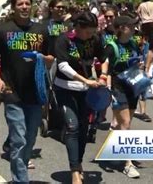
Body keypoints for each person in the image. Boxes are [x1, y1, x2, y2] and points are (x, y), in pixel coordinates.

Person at [0, 0, 53, 183]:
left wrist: (42, 58)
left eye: (27, 4)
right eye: (20, 4)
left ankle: (20, 172)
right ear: (14, 7)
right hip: (11, 91)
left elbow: (50, 59)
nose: (24, 7)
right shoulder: (4, 30)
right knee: (19, 139)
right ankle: (20, 180)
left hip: (35, 92)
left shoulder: (41, 31)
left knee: (30, 139)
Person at [53, 11, 106, 184]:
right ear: (78, 27)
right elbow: (62, 65)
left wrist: (103, 76)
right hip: (65, 88)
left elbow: (104, 58)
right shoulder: (64, 39)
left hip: (86, 91)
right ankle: (75, 170)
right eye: (88, 32)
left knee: (84, 129)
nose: (91, 35)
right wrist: (84, 80)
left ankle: (79, 162)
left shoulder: (95, 39)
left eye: (93, 32)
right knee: (72, 126)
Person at [105, 16, 142, 178]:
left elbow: (137, 61)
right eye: (130, 26)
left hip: (133, 86)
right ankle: (128, 163)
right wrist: (106, 85)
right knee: (125, 124)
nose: (134, 28)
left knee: (124, 124)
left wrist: (139, 65)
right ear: (121, 28)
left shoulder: (134, 43)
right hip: (118, 87)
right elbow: (105, 67)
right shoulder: (111, 46)